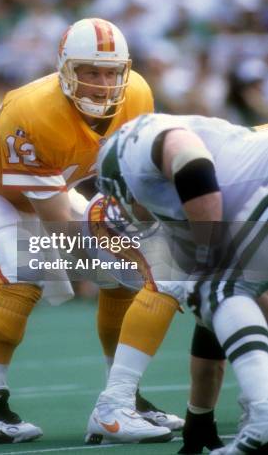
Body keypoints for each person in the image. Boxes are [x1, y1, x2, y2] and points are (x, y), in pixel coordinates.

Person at [0, 17, 176, 443]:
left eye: (111, 72)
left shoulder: (137, 93)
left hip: (53, 186)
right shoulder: (32, 111)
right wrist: (116, 249)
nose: (104, 83)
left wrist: (132, 236)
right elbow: (60, 227)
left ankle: (122, 398)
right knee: (24, 272)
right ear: (67, 70)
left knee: (120, 278)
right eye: (90, 71)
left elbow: (130, 174)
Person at [94, 112, 268, 454]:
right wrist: (199, 415)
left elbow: (188, 157)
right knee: (225, 294)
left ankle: (263, 414)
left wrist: (206, 255)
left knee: (221, 288)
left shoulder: (132, 148)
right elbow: (214, 326)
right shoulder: (212, 173)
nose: (129, 208)